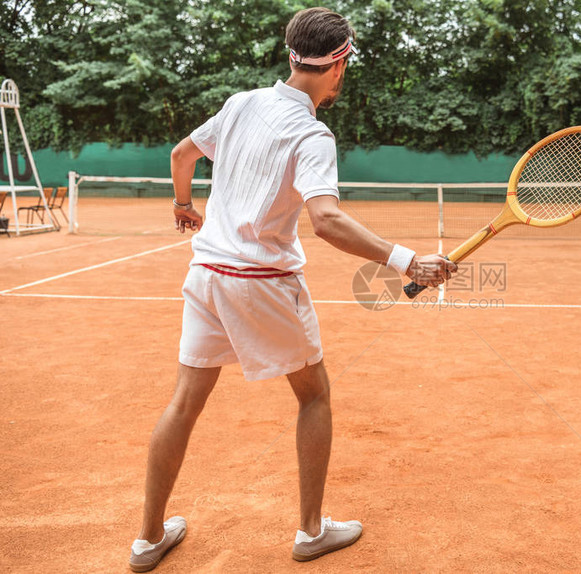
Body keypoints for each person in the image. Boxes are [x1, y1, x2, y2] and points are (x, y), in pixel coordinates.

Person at [128, 7, 456, 572]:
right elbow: (326, 220)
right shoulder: (312, 132)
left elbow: (182, 156)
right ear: (339, 64)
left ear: (291, 55)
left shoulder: (241, 103)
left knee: (183, 403)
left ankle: (148, 539)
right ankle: (310, 531)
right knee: (315, 395)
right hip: (264, 284)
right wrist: (408, 262)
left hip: (206, 276)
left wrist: (185, 205)